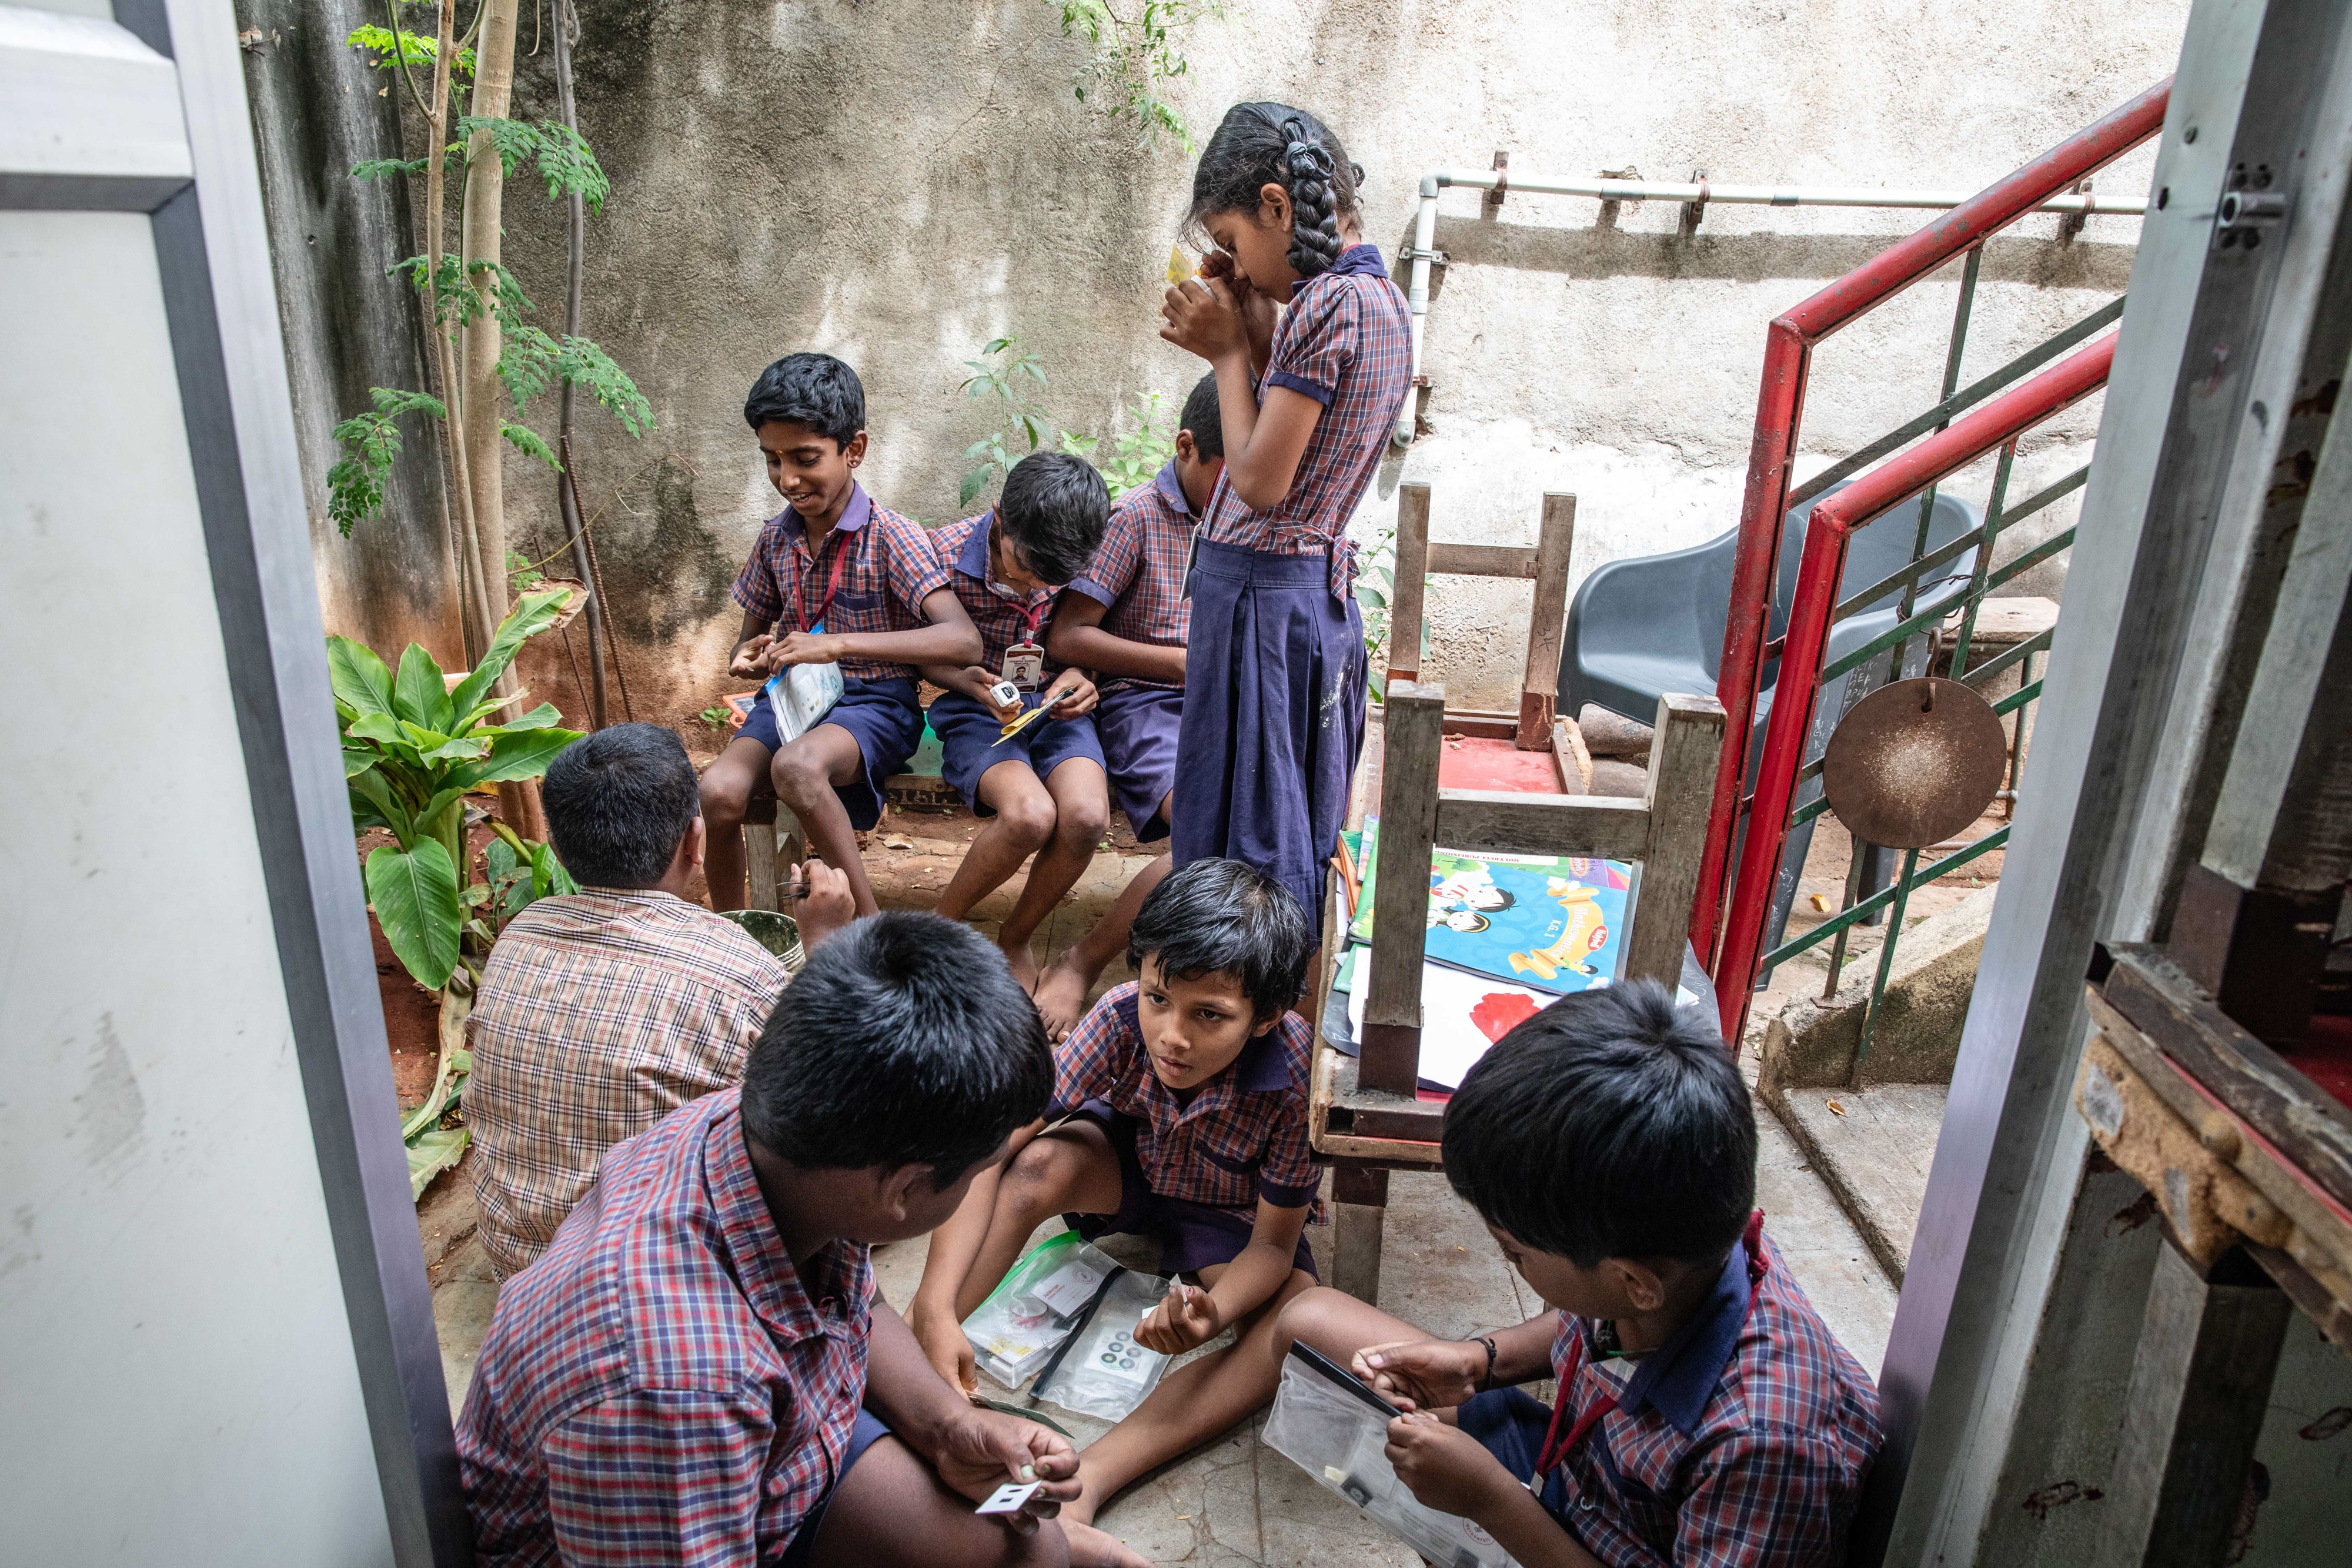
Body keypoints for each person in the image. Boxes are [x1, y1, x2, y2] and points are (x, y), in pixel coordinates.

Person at [459, 912, 1151, 1568]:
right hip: (688, 1500)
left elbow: (850, 1301)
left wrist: (944, 1427)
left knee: (1034, 1549)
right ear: (904, 1191)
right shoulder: (676, 1387)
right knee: (1033, 1552)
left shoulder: (780, 1142)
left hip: (769, 1460)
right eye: (975, 1174)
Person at [1272, 982, 1883, 1568]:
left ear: (1632, 1283)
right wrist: (1479, 1362)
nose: (1510, 1264)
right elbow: (1591, 1319)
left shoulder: (1762, 1446)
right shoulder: (1685, 1248)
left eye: (1516, 1255)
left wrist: (1490, 1500)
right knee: (1310, 1324)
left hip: (1604, 1538)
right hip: (1580, 1478)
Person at [909, 858, 1322, 1533]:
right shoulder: (1117, 1015)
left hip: (1231, 1212)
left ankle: (1096, 1476)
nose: (1173, 1035)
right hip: (1133, 1164)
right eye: (1158, 998)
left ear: (1267, 1017)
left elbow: (1272, 1246)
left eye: (1209, 1015)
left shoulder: (1297, 1074)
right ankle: (912, 1364)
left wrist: (1211, 1314)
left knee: (1294, 1323)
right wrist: (933, 1304)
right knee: (1036, 1165)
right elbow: (993, 1149)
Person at [466, 724, 853, 1279]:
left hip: (522, 1270)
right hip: (656, 1292)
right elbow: (844, 1103)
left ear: (558, 847)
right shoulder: (735, 968)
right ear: (696, 842)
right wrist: (825, 947)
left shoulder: (520, 934)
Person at [1158, 103, 1411, 941]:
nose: (1234, 258)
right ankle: (1253, 1007)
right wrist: (1252, 316)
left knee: (1247, 841)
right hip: (1298, 598)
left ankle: (1246, 1012)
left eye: (1233, 236)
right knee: (1277, 817)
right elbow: (1292, 420)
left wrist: (1228, 351)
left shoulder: (1328, 305)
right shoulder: (1376, 299)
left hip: (1264, 600)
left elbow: (1262, 479)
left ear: (1277, 205)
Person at [700, 352, 984, 915]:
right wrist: (748, 657)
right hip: (791, 701)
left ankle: (869, 925)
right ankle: (734, 931)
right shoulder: (775, 539)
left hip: (875, 704)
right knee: (717, 791)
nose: (787, 479)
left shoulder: (892, 536)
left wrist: (838, 644)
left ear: (854, 449)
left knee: (797, 767)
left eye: (805, 458)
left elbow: (962, 640)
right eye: (772, 460)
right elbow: (747, 637)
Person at [1031, 372, 1225, 1039]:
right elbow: (1068, 634)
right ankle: (1082, 961)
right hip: (1142, 704)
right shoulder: (1137, 518)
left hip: (1217, 704)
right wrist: (1178, 664)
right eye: (1224, 474)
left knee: (1250, 828)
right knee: (1204, 834)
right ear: (1184, 448)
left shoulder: (1242, 520)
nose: (1239, 492)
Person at [920, 452, 1112, 989]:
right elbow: (919, 654)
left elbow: (1087, 635)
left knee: (1086, 816)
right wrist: (966, 682)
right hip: (974, 709)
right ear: (1000, 518)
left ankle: (1016, 934)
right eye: (1022, 568)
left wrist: (1080, 673)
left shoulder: (1078, 552)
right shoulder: (939, 555)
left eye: (1050, 579)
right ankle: (935, 931)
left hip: (1054, 708)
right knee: (1029, 815)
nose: (1032, 587)